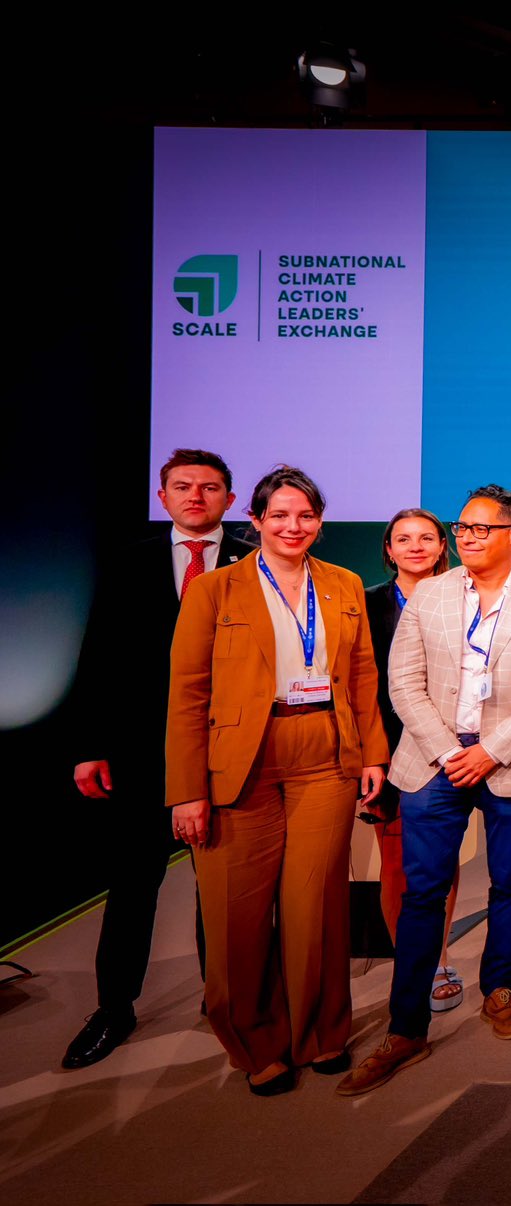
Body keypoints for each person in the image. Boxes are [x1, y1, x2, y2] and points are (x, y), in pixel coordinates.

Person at [166, 465, 388, 1095]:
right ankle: (256, 1043)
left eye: (307, 516)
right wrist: (186, 789)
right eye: (281, 515)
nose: (295, 527)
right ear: (256, 520)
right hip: (239, 762)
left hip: (325, 754)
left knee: (315, 906)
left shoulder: (343, 584)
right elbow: (186, 694)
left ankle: (321, 1034)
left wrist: (372, 754)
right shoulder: (214, 589)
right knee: (237, 918)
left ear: (320, 522)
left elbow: (364, 675)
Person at [339, 485, 511, 1095]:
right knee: (423, 892)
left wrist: (491, 751)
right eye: (461, 528)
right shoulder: (432, 595)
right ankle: (406, 1027)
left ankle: (499, 989)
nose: (465, 538)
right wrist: (448, 751)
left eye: (479, 529)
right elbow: (403, 680)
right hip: (434, 760)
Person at [62, 449, 253, 1071]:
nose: (196, 497)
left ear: (229, 497)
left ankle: (220, 1001)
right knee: (133, 887)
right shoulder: (129, 562)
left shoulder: (254, 559)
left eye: (210, 487)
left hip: (230, 751)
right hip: (142, 754)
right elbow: (99, 656)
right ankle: (113, 1008)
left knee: (219, 890)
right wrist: (90, 746)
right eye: (183, 487)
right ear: (163, 495)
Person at [365, 510, 471, 1008]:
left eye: (426, 537)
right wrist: (371, 754)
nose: (415, 546)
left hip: (453, 750)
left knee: (440, 860)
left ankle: (439, 956)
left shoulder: (468, 595)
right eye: (403, 539)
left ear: (442, 544)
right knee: (397, 862)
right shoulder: (367, 606)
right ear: (389, 549)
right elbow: (360, 686)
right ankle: (409, 961)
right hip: (389, 750)